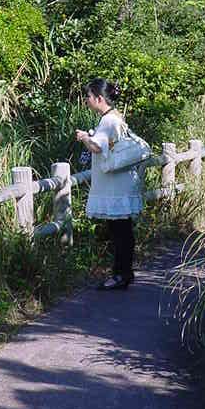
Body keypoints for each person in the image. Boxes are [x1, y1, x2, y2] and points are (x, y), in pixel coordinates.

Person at [75, 78, 144, 291]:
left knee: (119, 232)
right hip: (122, 182)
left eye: (88, 96)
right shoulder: (116, 117)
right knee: (123, 231)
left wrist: (84, 137)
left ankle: (120, 275)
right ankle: (125, 273)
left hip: (115, 186)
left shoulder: (107, 120)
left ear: (99, 98)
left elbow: (97, 147)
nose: (86, 100)